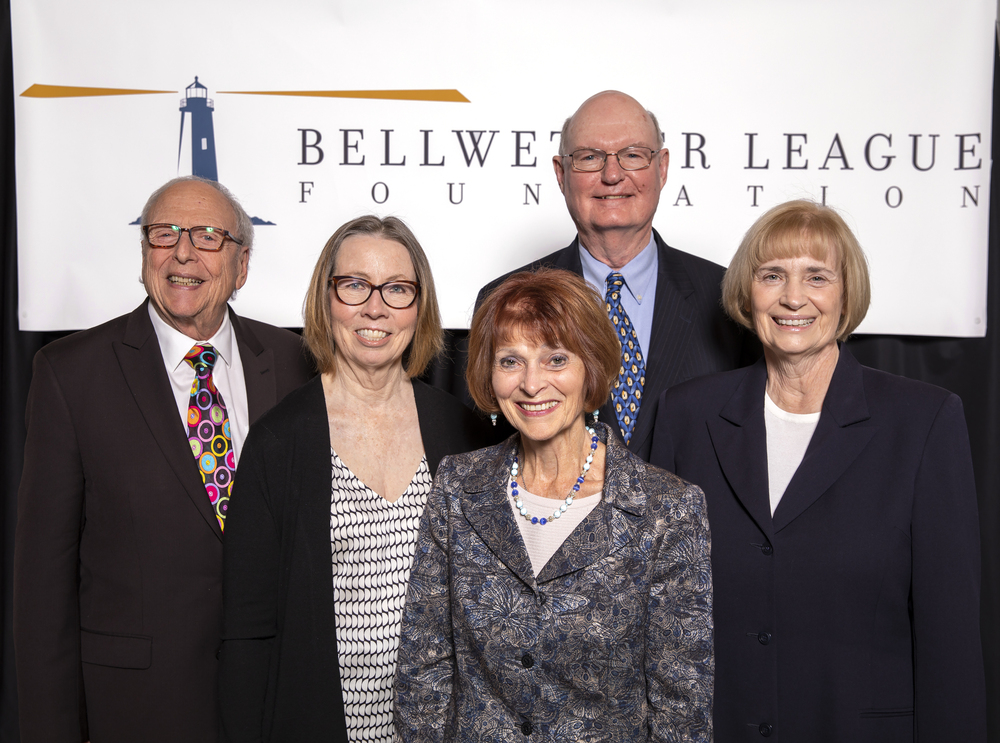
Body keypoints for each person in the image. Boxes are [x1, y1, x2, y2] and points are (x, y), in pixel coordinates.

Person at [649, 200, 986, 742]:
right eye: (772, 275)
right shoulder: (687, 414)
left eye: (817, 277)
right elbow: (654, 615)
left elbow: (949, 636)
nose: (793, 297)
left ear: (847, 295)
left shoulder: (923, 421)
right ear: (746, 292)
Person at [13, 176, 314, 743]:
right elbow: (42, 588)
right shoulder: (71, 374)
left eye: (207, 236)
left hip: (274, 703)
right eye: (164, 233)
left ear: (241, 264)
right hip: (135, 708)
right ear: (144, 254)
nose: (183, 251)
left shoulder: (295, 362)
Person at [396, 268, 714, 742]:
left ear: (592, 367)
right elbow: (423, 669)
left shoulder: (668, 509)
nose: (531, 383)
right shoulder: (458, 487)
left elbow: (682, 706)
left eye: (556, 359)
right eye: (510, 361)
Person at [218, 216, 496, 742]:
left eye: (397, 289)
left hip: (448, 726)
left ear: (420, 306)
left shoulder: (463, 432)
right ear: (327, 299)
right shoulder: (279, 442)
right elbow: (246, 633)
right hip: (322, 721)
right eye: (354, 286)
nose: (375, 307)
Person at [477, 90, 756, 461]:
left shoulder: (729, 299)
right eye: (590, 158)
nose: (612, 175)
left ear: (662, 168)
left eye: (633, 155)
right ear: (561, 174)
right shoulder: (502, 300)